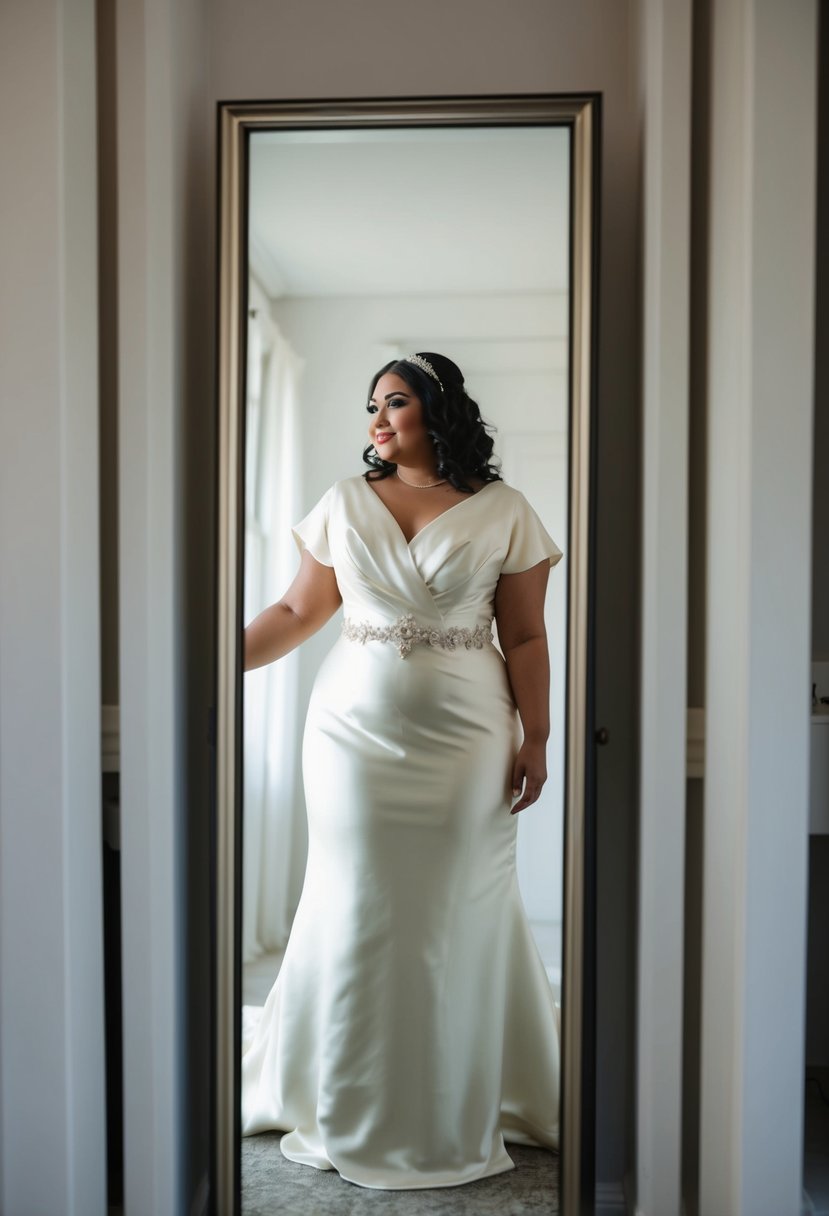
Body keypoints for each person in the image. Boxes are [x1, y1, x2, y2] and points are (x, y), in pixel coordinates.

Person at [240, 351, 563, 1190]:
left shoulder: (505, 511)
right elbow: (295, 611)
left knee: (450, 904)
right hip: (350, 733)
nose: (377, 421)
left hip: (467, 737)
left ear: (439, 412)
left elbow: (524, 636)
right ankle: (348, 1090)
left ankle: (452, 1094)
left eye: (396, 404)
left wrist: (538, 738)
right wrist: (200, 658)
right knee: (357, 898)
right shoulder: (345, 503)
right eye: (371, 406)